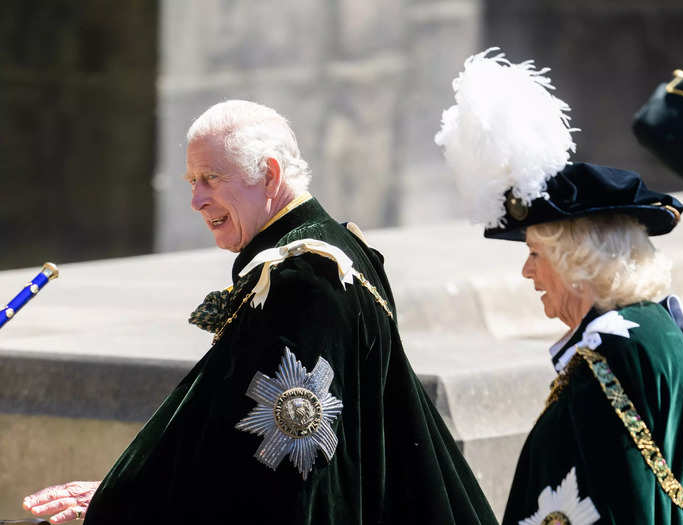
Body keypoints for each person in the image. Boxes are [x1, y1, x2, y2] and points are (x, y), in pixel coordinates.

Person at [23, 100, 498, 524]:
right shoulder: (331, 249)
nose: (196, 200)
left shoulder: (306, 277)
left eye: (211, 178)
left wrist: (127, 506)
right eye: (192, 181)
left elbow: (284, 473)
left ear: (269, 175)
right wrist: (126, 493)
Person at [435, 48, 683, 524]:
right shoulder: (649, 327)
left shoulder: (609, 354)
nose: (527, 273)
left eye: (535, 255)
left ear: (576, 262)